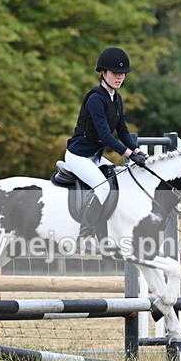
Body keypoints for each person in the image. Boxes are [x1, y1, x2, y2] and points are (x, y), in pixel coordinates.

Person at [65, 47, 148, 241]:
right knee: (103, 188)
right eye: (114, 73)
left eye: (122, 74)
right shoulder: (95, 99)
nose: (119, 77)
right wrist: (128, 154)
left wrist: (138, 150)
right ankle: (84, 235)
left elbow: (123, 131)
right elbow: (106, 136)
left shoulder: (116, 98)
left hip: (94, 156)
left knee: (118, 181)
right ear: (103, 73)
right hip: (79, 155)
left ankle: (110, 231)